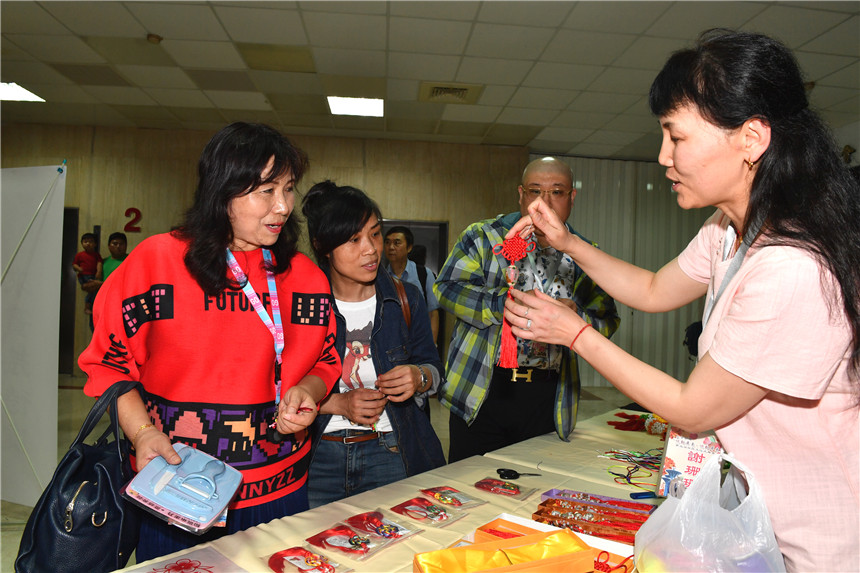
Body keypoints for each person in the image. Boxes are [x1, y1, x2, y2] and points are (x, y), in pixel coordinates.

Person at [503, 30, 860, 572]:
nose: (664, 156)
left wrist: (574, 333)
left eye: (677, 137)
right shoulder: (729, 230)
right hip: (761, 521)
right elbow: (652, 289)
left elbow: (693, 407)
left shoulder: (791, 265)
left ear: (751, 139)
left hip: (820, 539)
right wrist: (569, 243)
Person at [78, 122, 341, 561]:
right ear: (222, 195)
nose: (283, 206)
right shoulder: (158, 263)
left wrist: (309, 392)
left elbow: (328, 358)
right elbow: (108, 363)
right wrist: (142, 432)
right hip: (177, 491)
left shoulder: (305, 277)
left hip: (279, 495)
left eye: (289, 189)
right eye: (266, 191)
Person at [434, 156, 620, 463]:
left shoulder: (585, 252)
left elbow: (607, 318)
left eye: (557, 192)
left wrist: (578, 320)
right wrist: (501, 304)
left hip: (547, 397)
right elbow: (447, 288)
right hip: (482, 387)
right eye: (535, 191)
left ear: (572, 198)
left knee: (534, 491)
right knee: (469, 485)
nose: (544, 202)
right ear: (521, 195)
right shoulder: (483, 236)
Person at [302, 181, 445, 508]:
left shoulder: (405, 299)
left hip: (391, 452)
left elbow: (435, 371)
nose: (370, 249)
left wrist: (418, 376)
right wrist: (337, 404)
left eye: (375, 234)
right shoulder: (303, 305)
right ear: (323, 246)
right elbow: (277, 390)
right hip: (317, 457)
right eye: (353, 240)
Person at [384, 226, 441, 343]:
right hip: (390, 342)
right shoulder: (381, 277)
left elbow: (433, 313)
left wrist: (432, 345)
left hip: (419, 341)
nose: (391, 247)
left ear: (409, 247)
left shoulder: (424, 274)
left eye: (396, 243)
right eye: (387, 242)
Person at [72, 232, 103, 318]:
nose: (88, 243)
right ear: (82, 243)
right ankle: (87, 307)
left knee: (92, 292)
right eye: (86, 242)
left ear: (95, 244)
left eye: (91, 241)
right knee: (91, 290)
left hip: (93, 276)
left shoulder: (96, 255)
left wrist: (99, 272)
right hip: (84, 276)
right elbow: (74, 265)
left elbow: (99, 263)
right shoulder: (80, 255)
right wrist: (78, 269)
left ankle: (88, 307)